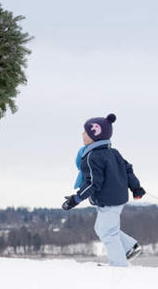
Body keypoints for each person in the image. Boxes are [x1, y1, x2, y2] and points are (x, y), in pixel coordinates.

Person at [62, 113, 146, 267]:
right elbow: (128, 170)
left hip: (109, 200)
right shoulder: (113, 152)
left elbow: (93, 182)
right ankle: (130, 247)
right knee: (102, 228)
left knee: (108, 232)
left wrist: (76, 199)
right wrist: (136, 188)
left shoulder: (92, 157)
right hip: (116, 198)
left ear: (95, 135)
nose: (82, 134)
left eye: (86, 132)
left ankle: (119, 264)